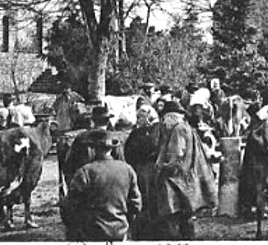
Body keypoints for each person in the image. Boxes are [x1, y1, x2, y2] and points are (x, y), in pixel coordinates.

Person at [61, 130, 142, 241]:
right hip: (120, 230)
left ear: (92, 150)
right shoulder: (127, 170)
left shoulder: (85, 172)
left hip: (92, 231)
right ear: (112, 149)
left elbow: (71, 206)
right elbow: (136, 205)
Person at [154, 100, 217, 240]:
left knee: (172, 217)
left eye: (164, 118)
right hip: (187, 177)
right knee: (186, 216)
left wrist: (162, 168)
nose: (163, 122)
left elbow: (176, 155)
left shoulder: (177, 130)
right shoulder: (187, 128)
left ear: (170, 117)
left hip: (177, 179)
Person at [124, 105, 161, 240]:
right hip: (141, 170)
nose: (138, 119)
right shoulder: (139, 131)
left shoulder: (155, 130)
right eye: (137, 116)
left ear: (149, 116)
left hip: (148, 170)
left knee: (149, 200)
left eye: (140, 116)